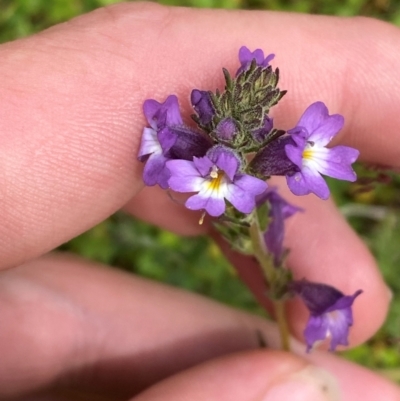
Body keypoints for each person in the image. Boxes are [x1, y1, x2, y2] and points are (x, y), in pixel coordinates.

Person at [0, 2, 398, 400]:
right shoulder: (208, 163)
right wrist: (200, 161)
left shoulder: (273, 162)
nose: (218, 172)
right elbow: (187, 154)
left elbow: (243, 176)